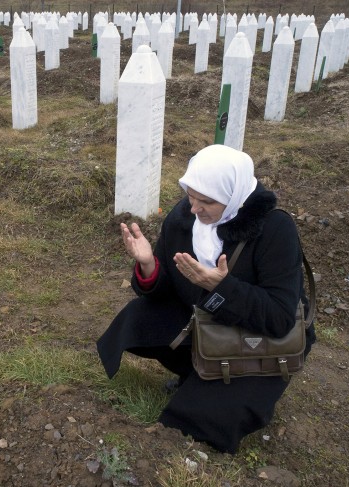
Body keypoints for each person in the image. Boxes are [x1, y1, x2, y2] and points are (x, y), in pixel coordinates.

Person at [96, 144, 316, 454]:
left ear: (233, 195)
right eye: (191, 196)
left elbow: (280, 318)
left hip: (257, 342)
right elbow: (168, 288)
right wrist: (149, 265)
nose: (195, 208)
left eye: (207, 202)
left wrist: (223, 287)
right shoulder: (186, 215)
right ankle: (196, 371)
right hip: (211, 322)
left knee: (194, 422)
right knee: (139, 319)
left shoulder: (275, 229)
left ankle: (244, 396)